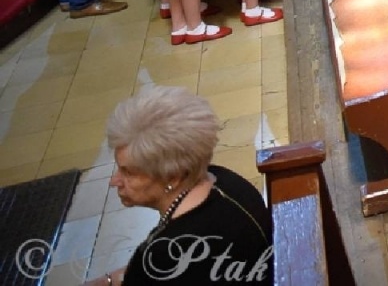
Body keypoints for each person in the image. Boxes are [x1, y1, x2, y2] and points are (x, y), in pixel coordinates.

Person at [100, 85, 272, 286]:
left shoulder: (165, 254)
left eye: (128, 172)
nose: (115, 181)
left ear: (172, 177)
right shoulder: (225, 180)